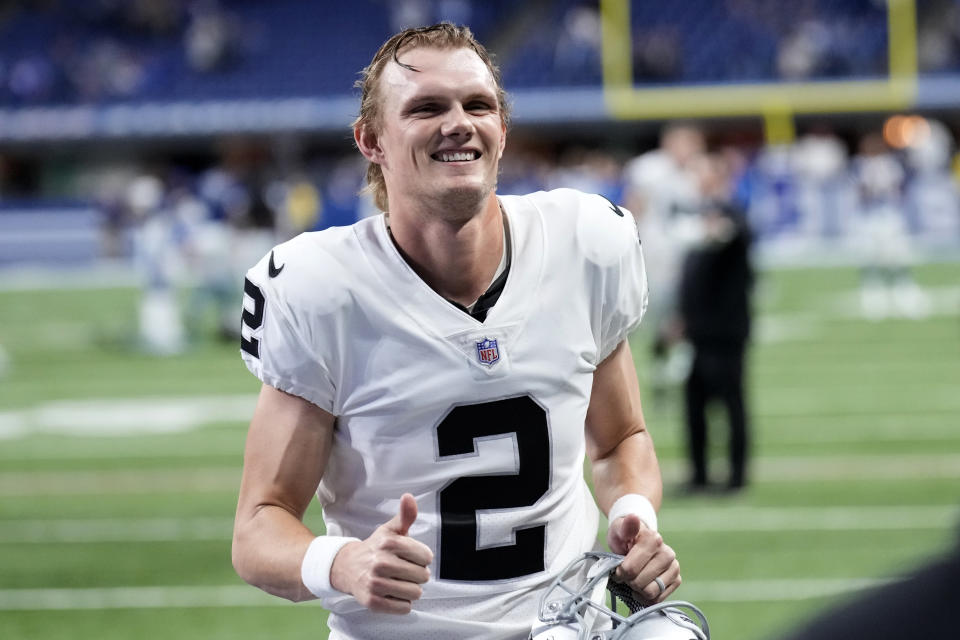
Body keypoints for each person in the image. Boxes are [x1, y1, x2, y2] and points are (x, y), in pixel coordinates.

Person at [231, 23, 679, 639]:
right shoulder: (322, 288)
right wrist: (343, 563)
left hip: (567, 627)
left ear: (503, 129)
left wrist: (632, 512)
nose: (459, 122)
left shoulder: (583, 246)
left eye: (479, 105)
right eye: (426, 108)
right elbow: (259, 524)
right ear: (371, 141)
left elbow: (620, 438)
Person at [678, 153, 754, 492]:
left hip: (724, 331)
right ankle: (699, 475)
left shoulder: (730, 214)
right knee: (694, 405)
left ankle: (736, 476)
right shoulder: (699, 216)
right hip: (697, 330)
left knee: (731, 403)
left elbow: (734, 233)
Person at [622, 123, 706, 403]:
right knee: (631, 321)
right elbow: (633, 205)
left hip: (679, 257)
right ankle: (622, 383)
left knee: (676, 322)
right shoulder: (650, 169)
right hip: (649, 255)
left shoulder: (693, 176)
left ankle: (663, 376)